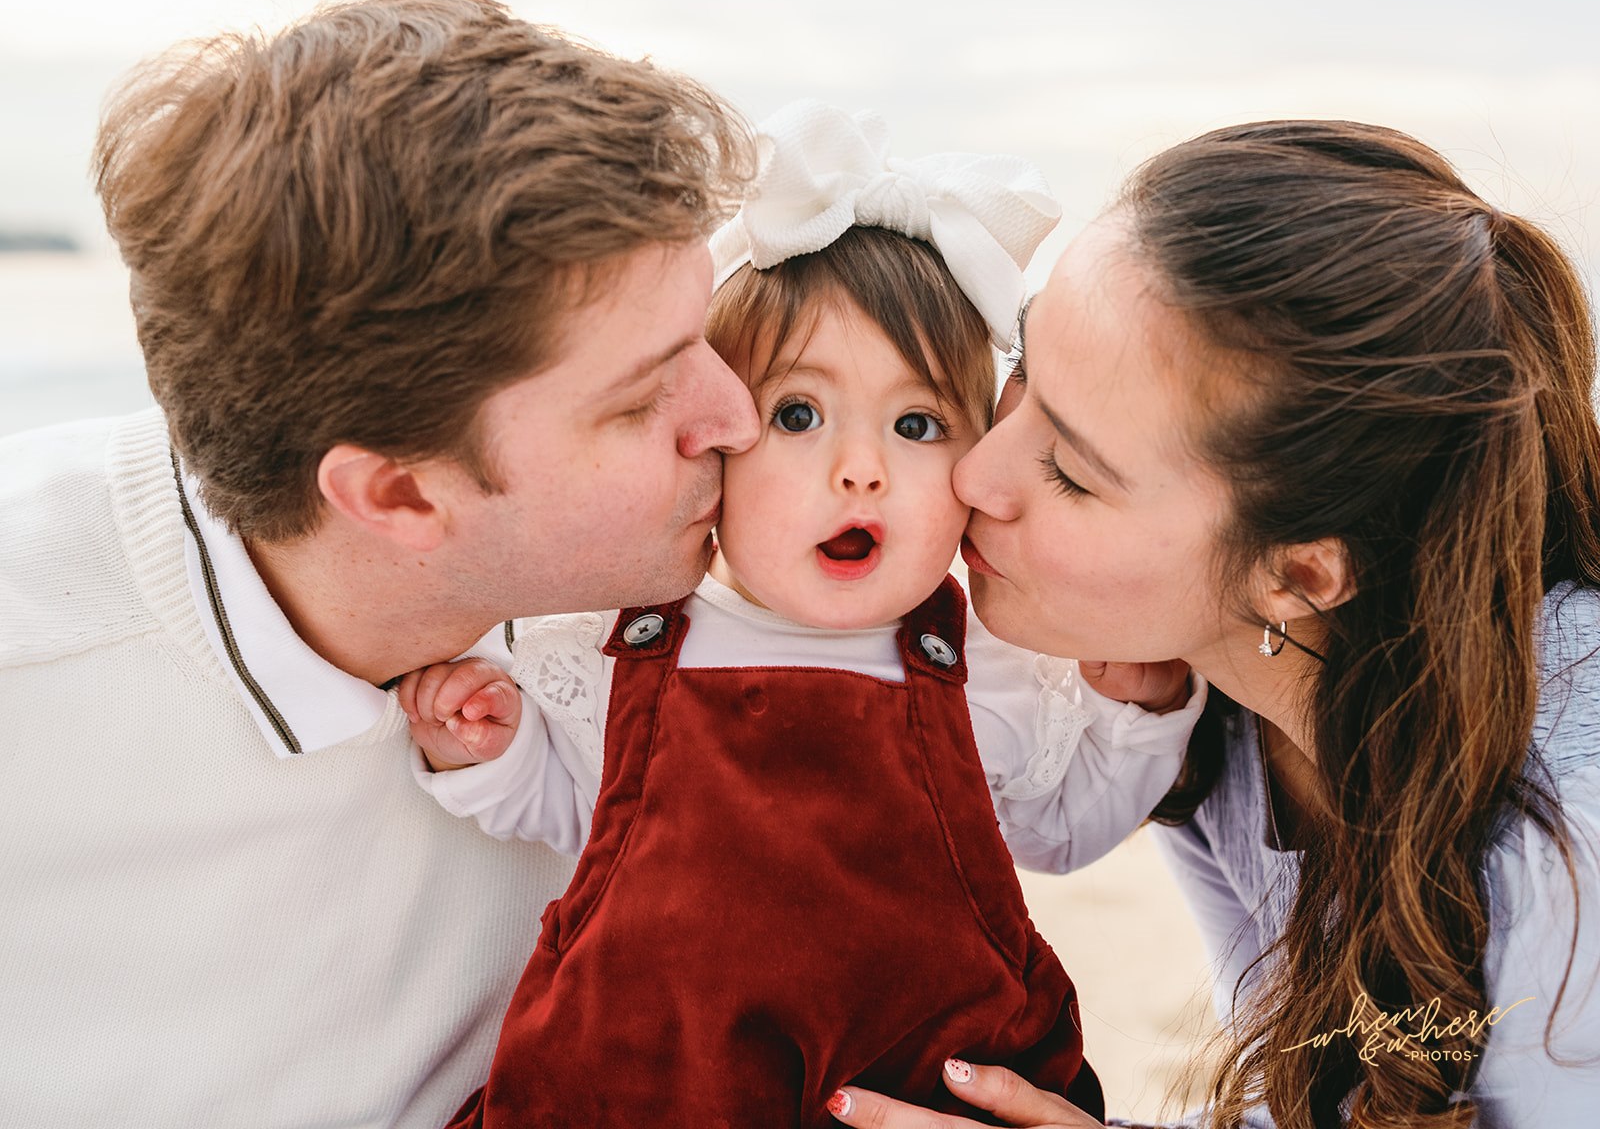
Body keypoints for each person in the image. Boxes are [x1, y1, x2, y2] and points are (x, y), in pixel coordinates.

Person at [0, 0, 763, 1127]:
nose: (737, 417)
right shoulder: (33, 671)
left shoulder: (716, 610)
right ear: (397, 494)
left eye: (703, 335)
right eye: (643, 398)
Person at [400, 101, 1205, 1128]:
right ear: (717, 434)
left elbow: (1062, 826)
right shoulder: (633, 642)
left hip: (902, 1094)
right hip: (646, 1088)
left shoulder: (980, 663)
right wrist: (494, 751)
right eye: (797, 414)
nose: (860, 470)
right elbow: (567, 809)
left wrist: (1138, 714)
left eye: (916, 425)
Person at [829, 120, 1600, 1128]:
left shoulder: (1568, 854)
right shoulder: (1221, 715)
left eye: (1069, 472)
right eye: (1020, 368)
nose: (977, 475)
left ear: (1297, 576)